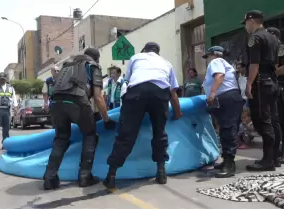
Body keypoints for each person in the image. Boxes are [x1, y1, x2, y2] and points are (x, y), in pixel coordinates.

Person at [104, 42, 182, 189]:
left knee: (126, 135)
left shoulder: (136, 58)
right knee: (160, 133)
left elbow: (128, 82)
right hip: (159, 93)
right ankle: (161, 172)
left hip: (137, 92)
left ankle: (111, 175)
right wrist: (178, 113)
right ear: (158, 52)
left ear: (144, 50)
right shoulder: (166, 62)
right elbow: (173, 93)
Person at [42, 48, 116, 190]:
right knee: (90, 135)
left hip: (56, 104)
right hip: (77, 103)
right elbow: (98, 97)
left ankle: (49, 177)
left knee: (61, 138)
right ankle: (85, 176)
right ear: (96, 58)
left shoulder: (66, 66)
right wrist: (106, 119)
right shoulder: (92, 66)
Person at [241, 10, 280, 171]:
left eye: (245, 24)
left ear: (251, 21)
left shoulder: (255, 38)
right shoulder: (273, 38)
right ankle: (273, 157)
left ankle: (268, 160)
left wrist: (249, 84)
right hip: (272, 82)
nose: (246, 28)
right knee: (271, 120)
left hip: (260, 84)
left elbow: (254, 64)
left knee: (262, 121)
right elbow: (276, 65)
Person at [202, 46, 244, 178]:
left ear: (214, 55)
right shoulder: (225, 64)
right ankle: (226, 159)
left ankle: (230, 164)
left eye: (208, 56)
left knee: (228, 129)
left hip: (226, 97)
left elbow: (219, 76)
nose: (207, 60)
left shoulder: (216, 62)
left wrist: (212, 93)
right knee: (226, 129)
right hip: (230, 98)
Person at [268, 27, 284, 164]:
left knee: (282, 120)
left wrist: (269, 72)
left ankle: (282, 152)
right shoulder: (271, 50)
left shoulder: (281, 48)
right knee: (276, 120)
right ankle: (276, 151)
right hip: (275, 88)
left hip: (283, 87)